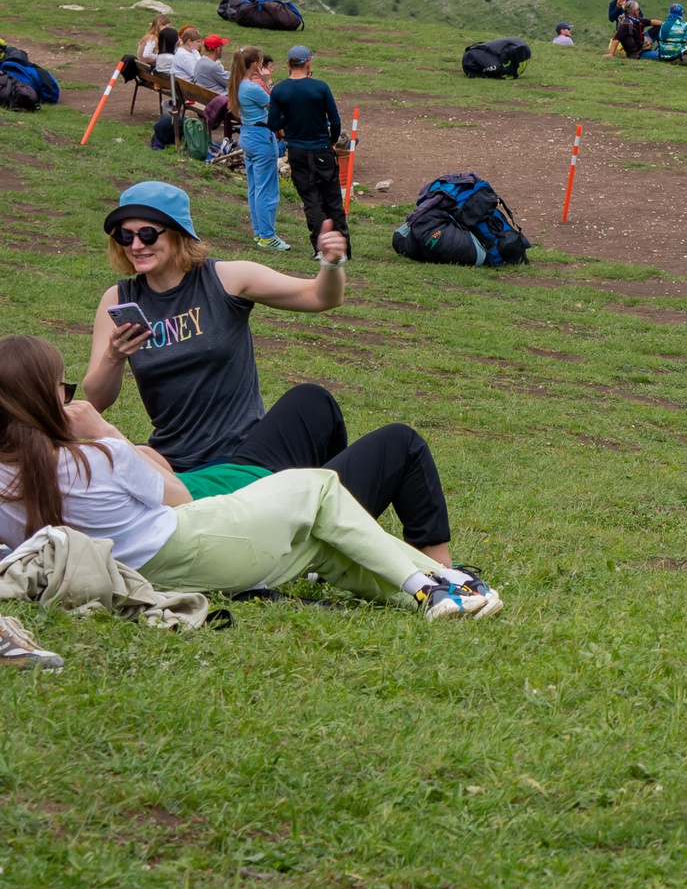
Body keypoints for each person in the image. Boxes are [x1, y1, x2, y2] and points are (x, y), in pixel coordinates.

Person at [75, 182, 471, 579]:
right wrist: (113, 355)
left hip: (250, 447)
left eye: (147, 233)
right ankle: (331, 536)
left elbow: (321, 297)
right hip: (177, 462)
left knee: (312, 401)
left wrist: (331, 266)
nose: (136, 245)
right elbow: (97, 399)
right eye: (124, 235)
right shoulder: (119, 300)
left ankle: (338, 524)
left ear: (178, 233)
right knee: (396, 441)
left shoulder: (226, 279)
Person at [2, 336, 496, 620]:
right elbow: (177, 498)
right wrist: (108, 431)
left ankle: (454, 590)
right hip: (192, 544)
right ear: (47, 402)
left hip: (145, 573)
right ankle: (430, 585)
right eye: (64, 390)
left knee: (321, 545)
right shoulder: (98, 454)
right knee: (318, 486)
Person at [267, 46, 348, 257]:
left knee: (311, 201)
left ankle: (321, 249)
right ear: (308, 62)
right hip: (322, 148)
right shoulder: (320, 87)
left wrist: (290, 119)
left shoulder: (279, 90)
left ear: (287, 64)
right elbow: (335, 121)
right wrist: (331, 142)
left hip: (298, 152)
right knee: (333, 200)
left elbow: (273, 122)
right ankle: (343, 248)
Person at [229, 46, 289, 253]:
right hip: (261, 138)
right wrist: (268, 82)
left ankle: (259, 231)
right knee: (267, 189)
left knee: (255, 186)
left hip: (248, 135)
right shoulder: (253, 88)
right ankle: (267, 236)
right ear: (255, 65)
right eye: (262, 62)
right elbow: (279, 104)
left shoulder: (238, 84)